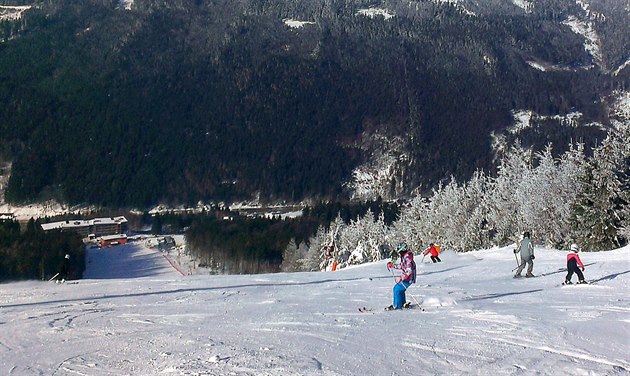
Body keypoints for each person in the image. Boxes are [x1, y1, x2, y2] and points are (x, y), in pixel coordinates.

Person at [385, 243, 417, 310]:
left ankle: (397, 306)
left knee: (396, 289)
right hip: (408, 278)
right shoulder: (406, 256)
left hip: (408, 278)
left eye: (400, 252)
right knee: (400, 290)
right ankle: (402, 303)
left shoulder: (407, 258)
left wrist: (401, 277)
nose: (399, 254)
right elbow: (402, 266)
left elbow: (409, 270)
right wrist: (393, 266)